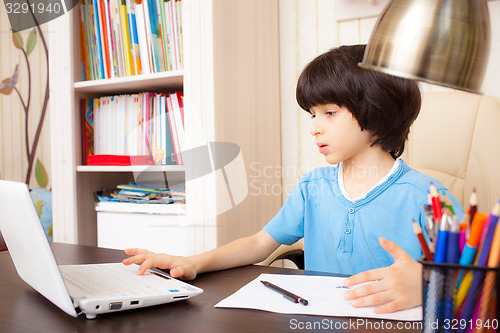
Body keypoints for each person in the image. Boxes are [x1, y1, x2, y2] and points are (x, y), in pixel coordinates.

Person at [123, 44, 464, 313]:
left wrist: (425, 281)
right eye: (313, 115)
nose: (315, 127)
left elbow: (478, 273)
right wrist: (193, 262)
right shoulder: (312, 188)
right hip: (318, 318)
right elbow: (259, 243)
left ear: (377, 110)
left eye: (329, 113)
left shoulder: (427, 195)